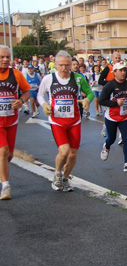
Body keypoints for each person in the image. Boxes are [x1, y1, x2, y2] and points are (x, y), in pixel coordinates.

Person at [38, 50, 94, 192]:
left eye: (67, 65)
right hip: (57, 121)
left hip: (74, 120)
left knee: (73, 154)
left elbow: (90, 92)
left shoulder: (78, 78)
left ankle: (66, 178)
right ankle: (57, 173)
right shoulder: (49, 79)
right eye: (61, 65)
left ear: (71, 65)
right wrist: (44, 104)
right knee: (64, 151)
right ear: (55, 65)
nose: (64, 68)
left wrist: (87, 99)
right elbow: (40, 95)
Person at [0, 45, 31, 200]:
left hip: (11, 120)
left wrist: (21, 100)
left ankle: (2, 171)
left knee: (9, 155)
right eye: (2, 57)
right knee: (3, 151)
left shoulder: (16, 74)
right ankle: (6, 187)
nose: (5, 60)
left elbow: (27, 91)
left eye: (7, 57)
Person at [99, 62, 127, 173]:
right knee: (112, 138)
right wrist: (115, 103)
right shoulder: (109, 86)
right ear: (114, 72)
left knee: (126, 139)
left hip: (124, 116)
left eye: (124, 70)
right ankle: (106, 146)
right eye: (121, 70)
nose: (123, 72)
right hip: (111, 117)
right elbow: (102, 101)